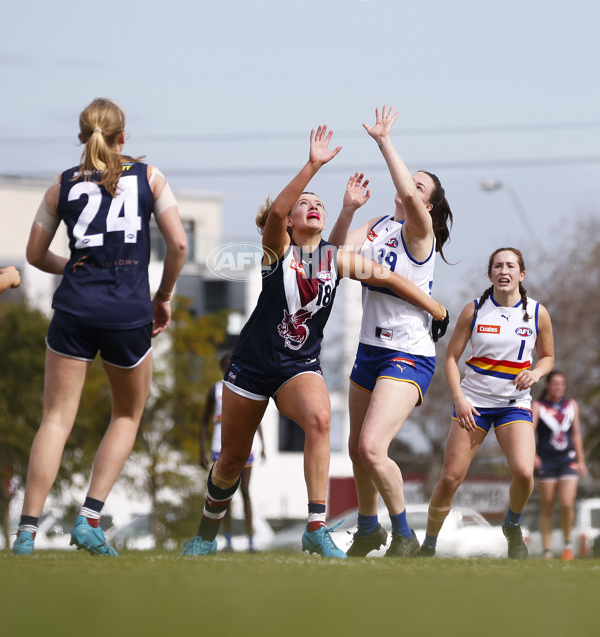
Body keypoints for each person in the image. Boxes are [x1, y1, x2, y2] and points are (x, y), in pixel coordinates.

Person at [180, 123, 448, 558]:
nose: (313, 206)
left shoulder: (334, 258)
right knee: (230, 461)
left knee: (322, 420)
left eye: (318, 203)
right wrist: (312, 166)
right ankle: (205, 536)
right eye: (305, 204)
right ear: (288, 221)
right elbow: (274, 215)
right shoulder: (276, 249)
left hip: (296, 367)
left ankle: (315, 526)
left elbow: (388, 276)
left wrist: (435, 308)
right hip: (251, 365)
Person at [12, 97, 188, 557]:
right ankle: (89, 519)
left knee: (55, 419)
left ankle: (26, 534)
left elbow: (33, 255)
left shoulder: (61, 186)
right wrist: (163, 297)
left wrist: (73, 266)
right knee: (127, 415)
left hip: (74, 309)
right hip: (128, 315)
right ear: (123, 137)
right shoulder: (150, 177)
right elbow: (180, 244)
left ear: (80, 136)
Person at [327, 105, 452, 557]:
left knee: (371, 446)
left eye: (419, 186)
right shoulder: (380, 225)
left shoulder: (420, 233)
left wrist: (385, 142)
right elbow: (334, 254)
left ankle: (403, 534)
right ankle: (367, 527)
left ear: (428, 204)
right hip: (368, 350)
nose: (408, 188)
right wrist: (345, 210)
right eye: (409, 182)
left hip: (408, 353)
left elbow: (411, 197)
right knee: (356, 449)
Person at [416, 247, 555, 559]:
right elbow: (451, 359)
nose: (503, 271)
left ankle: (512, 524)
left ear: (522, 274)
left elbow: (548, 357)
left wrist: (535, 373)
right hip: (474, 405)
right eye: (497, 266)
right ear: (490, 273)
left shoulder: (536, 313)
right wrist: (460, 399)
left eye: (510, 266)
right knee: (450, 478)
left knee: (523, 472)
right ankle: (428, 544)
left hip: (514, 404)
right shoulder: (474, 310)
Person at [200, 352, 266, 552]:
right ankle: (227, 540)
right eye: (227, 365)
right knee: (222, 494)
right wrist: (200, 451)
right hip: (219, 448)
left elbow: (257, 418)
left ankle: (251, 541)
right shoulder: (216, 390)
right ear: (222, 368)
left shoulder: (246, 387)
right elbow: (203, 422)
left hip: (246, 446)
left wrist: (264, 445)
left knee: (246, 492)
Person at [532, 370, 587, 560]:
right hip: (546, 461)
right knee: (547, 505)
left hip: (567, 459)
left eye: (562, 384)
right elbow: (530, 431)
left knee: (566, 503)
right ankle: (547, 550)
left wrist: (581, 461)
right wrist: (532, 455)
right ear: (547, 385)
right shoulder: (538, 406)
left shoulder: (571, 405)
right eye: (555, 383)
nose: (559, 387)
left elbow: (577, 434)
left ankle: (567, 545)